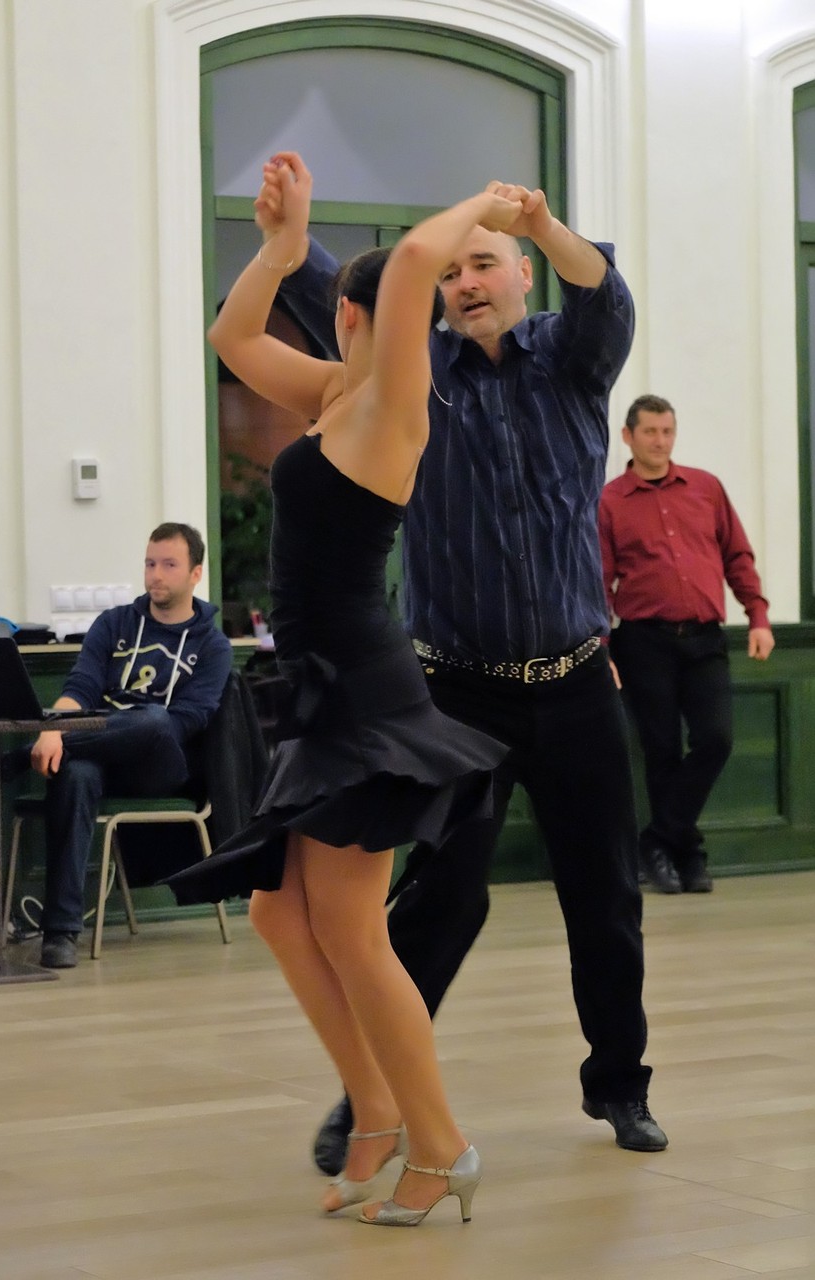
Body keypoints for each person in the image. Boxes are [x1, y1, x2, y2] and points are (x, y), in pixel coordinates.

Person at [253, 164, 668, 1171]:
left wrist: (540, 220)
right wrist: (291, 241)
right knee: (440, 899)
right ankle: (375, 1096)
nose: (465, 283)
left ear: (522, 274)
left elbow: (603, 291)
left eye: (485, 266)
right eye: (453, 272)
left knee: (604, 895)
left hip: (576, 680)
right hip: (453, 692)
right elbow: (358, 296)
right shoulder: (414, 373)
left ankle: (619, 1083)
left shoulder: (573, 362)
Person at [168, 152, 516, 1228]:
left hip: (363, 691)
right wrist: (279, 249)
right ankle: (374, 1112)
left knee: (354, 931)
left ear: (352, 315)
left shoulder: (393, 409)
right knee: (281, 913)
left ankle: (440, 1146)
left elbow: (411, 264)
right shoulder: (333, 395)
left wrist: (490, 204)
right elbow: (231, 338)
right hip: (318, 687)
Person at [20, 523, 232, 969]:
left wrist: (66, 735)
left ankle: (17, 760)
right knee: (75, 773)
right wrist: (53, 729)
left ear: (196, 573)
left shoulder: (212, 645)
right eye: (150, 563)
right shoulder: (114, 623)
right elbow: (79, 689)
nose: (156, 575)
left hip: (163, 762)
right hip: (100, 752)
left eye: (169, 565)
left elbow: (188, 721)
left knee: (154, 721)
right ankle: (60, 933)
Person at [599, 395, 774, 894]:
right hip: (643, 643)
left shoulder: (706, 488)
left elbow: (737, 555)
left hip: (704, 638)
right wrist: (602, 649)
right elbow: (598, 580)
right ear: (628, 436)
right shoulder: (610, 501)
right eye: (650, 432)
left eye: (668, 431)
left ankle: (656, 841)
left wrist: (758, 616)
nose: (661, 442)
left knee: (716, 739)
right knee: (661, 751)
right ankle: (688, 856)